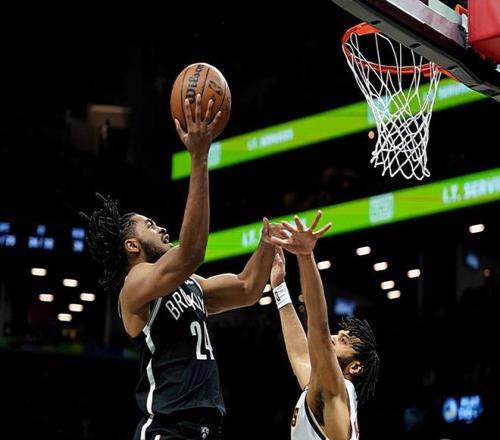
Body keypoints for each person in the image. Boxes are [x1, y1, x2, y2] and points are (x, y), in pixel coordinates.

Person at [80, 95, 280, 440]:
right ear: (132, 246)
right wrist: (199, 158)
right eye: (149, 225)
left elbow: (247, 289)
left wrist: (267, 242)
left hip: (206, 427)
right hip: (167, 428)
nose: (161, 229)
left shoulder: (190, 284)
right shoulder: (135, 284)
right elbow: (191, 253)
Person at [270, 211, 379, 440]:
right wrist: (279, 287)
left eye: (343, 341)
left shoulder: (336, 389)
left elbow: (318, 326)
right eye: (338, 335)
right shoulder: (322, 389)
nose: (332, 338)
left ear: (355, 367)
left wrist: (305, 256)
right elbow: (300, 354)